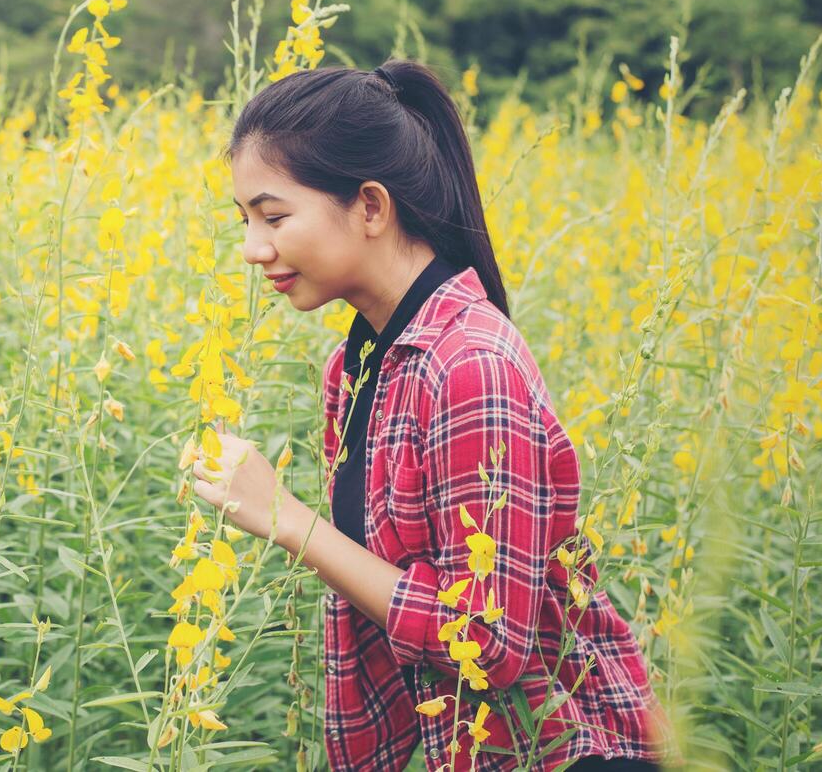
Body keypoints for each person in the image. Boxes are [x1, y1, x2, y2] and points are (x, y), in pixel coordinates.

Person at [188, 61, 673, 771]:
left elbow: (487, 643)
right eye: (244, 221)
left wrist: (288, 520)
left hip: (560, 754)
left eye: (274, 216)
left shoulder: (468, 365)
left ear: (372, 207)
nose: (252, 249)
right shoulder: (358, 367)